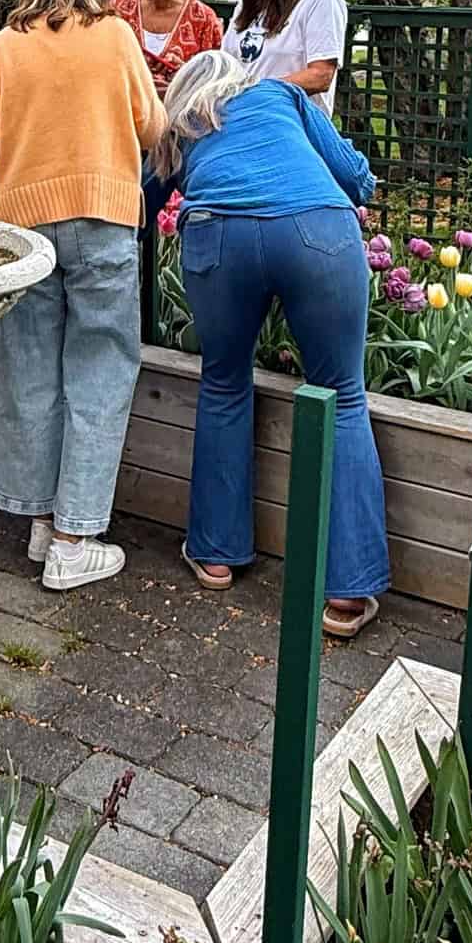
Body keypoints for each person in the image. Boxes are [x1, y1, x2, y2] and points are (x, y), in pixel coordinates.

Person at [146, 48, 388, 631]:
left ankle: (216, 555)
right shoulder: (282, 95)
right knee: (343, 396)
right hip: (317, 229)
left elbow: (142, 203)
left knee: (225, 383)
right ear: (242, 77)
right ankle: (347, 592)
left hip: (216, 235)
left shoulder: (178, 123)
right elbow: (359, 181)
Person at [0, 0, 165, 591]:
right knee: (99, 372)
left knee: (28, 371)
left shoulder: (4, 46)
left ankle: (42, 521)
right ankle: (75, 540)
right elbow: (153, 127)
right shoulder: (116, 38)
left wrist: (19, 133)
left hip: (24, 229)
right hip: (102, 218)